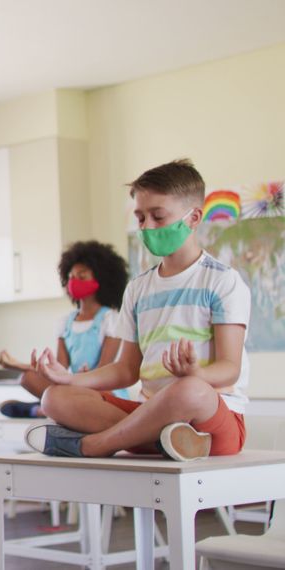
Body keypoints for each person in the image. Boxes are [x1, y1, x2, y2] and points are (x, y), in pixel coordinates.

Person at [25, 159, 250, 462]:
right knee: (54, 398)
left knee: (189, 390)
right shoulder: (138, 288)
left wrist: (196, 373)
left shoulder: (222, 280)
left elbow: (230, 367)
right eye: (141, 217)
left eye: (157, 216)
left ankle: (95, 445)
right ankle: (172, 441)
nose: (147, 227)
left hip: (213, 415)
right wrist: (69, 379)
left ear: (194, 217)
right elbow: (126, 370)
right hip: (150, 412)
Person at [0, 240, 129, 418]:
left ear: (101, 280)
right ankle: (49, 407)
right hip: (75, 385)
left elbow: (105, 371)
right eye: (71, 277)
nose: (75, 282)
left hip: (102, 388)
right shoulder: (65, 323)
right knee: (27, 378)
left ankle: (41, 409)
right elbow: (58, 369)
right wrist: (19, 366)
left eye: (82, 276)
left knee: (97, 394)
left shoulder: (110, 319)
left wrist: (82, 378)